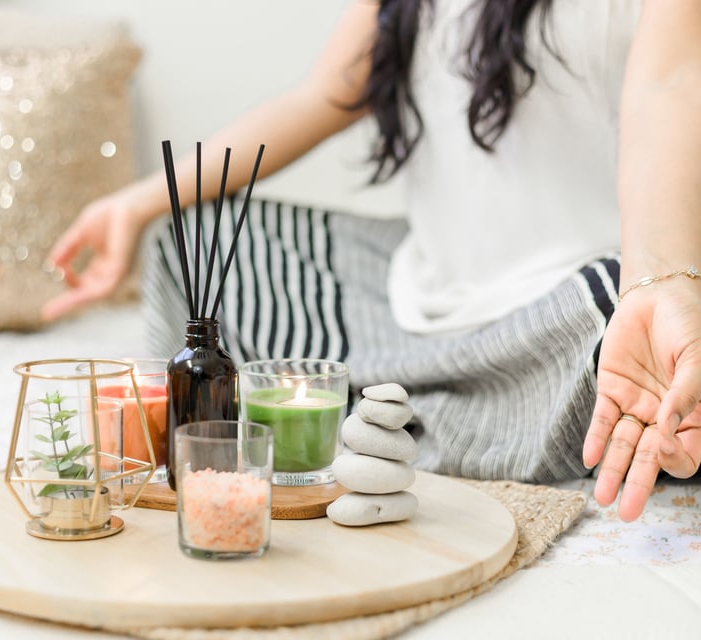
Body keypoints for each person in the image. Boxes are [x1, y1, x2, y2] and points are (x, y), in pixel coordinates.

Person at [43, 0, 701, 522]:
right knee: (194, 240)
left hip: (578, 306)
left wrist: (659, 280)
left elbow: (665, 89)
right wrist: (136, 204)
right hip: (414, 293)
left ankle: (395, 412)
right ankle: (441, 414)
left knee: (621, 321)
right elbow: (324, 95)